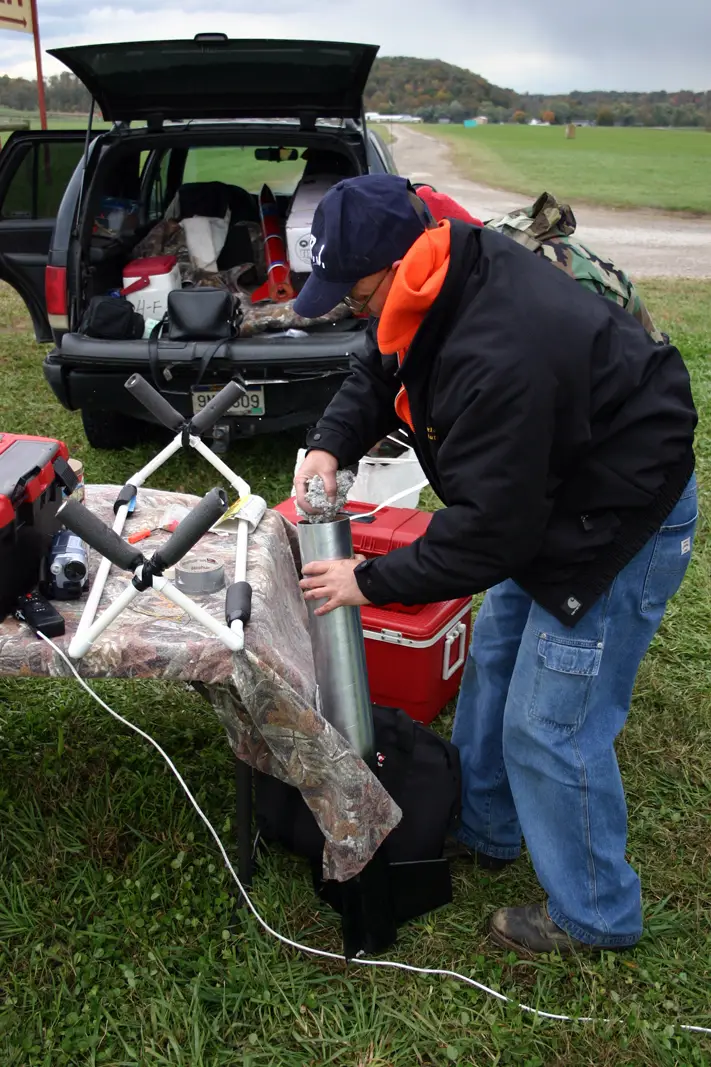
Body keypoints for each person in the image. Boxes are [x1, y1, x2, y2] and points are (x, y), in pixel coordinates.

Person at [292, 174, 697, 957]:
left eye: (352, 290)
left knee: (549, 723)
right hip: (549, 490)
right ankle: (487, 827)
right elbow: (380, 367)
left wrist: (365, 581)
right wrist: (328, 442)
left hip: (616, 517)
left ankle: (596, 915)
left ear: (395, 263)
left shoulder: (497, 351)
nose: (348, 305)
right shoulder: (440, 271)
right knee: (495, 659)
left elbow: (490, 538)